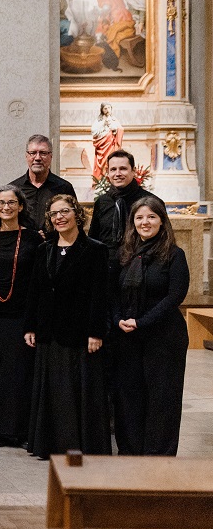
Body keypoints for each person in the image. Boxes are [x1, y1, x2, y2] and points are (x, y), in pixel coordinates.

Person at [24, 194, 111, 460]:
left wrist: (96, 332)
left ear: (77, 214)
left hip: (80, 333)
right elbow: (35, 292)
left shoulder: (95, 249)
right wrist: (30, 326)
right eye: (54, 214)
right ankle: (51, 445)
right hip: (49, 332)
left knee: (78, 392)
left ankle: (81, 445)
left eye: (64, 212)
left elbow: (100, 294)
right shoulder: (44, 249)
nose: (59, 217)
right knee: (53, 391)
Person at [113, 197, 189, 455]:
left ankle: (159, 456)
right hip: (128, 336)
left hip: (163, 336)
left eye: (151, 217)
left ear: (162, 221)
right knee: (130, 397)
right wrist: (117, 319)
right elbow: (113, 293)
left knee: (162, 399)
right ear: (133, 223)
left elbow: (175, 296)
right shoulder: (125, 254)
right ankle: (131, 452)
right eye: (139, 218)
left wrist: (142, 322)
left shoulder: (174, 255)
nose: (145, 222)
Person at [0, 185, 42, 448]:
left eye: (11, 203)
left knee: (21, 375)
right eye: (1, 203)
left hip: (22, 318)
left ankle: (21, 431)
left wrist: (33, 322)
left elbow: (39, 283)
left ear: (20, 206)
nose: (5, 207)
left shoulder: (33, 239)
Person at [88, 149, 161, 273]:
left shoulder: (151, 201)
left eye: (123, 168)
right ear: (108, 173)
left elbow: (163, 239)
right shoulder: (102, 202)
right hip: (107, 268)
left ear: (134, 171)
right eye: (113, 169)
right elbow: (94, 238)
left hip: (140, 267)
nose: (118, 173)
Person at [9, 135, 76, 233]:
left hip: (54, 245)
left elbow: (74, 221)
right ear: (26, 156)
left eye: (43, 153)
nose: (37, 158)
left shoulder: (64, 188)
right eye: (33, 153)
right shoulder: (14, 189)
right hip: (23, 245)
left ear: (51, 156)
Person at [91, 105, 124, 181]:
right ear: (102, 110)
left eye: (109, 108)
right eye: (105, 108)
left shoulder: (114, 119)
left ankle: (110, 180)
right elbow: (94, 132)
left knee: (110, 161)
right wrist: (103, 124)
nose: (107, 110)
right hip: (102, 145)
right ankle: (100, 180)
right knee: (101, 163)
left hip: (111, 145)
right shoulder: (99, 120)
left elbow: (120, 128)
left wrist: (115, 129)